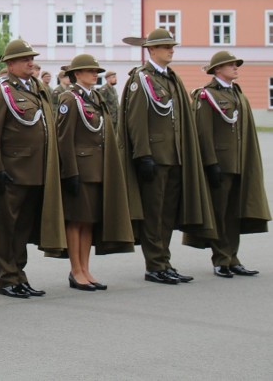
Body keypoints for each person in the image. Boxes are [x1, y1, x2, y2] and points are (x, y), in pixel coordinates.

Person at [119, 29, 214, 285]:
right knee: (154, 213)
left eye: (172, 46)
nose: (171, 50)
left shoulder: (170, 78)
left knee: (167, 213)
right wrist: (142, 155)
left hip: (174, 155)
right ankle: (154, 265)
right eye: (165, 46)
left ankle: (164, 260)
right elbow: (136, 120)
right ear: (151, 50)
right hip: (155, 156)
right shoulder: (142, 79)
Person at [0, 39, 65, 299]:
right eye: (25, 59)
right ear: (11, 64)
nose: (31, 62)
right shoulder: (1, 91)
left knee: (23, 228)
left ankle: (20, 274)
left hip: (35, 170)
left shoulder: (36, 87)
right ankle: (7, 278)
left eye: (32, 58)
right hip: (12, 171)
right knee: (7, 227)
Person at [185, 51, 270, 277]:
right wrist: (211, 163)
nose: (235, 67)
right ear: (217, 70)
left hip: (239, 163)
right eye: (230, 65)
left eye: (235, 64)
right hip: (220, 165)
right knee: (220, 214)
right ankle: (221, 259)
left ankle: (233, 257)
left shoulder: (236, 93)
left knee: (234, 214)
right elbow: (204, 133)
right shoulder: (207, 95)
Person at [55, 55, 134, 292]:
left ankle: (85, 269)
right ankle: (75, 269)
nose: (94, 74)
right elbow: (64, 138)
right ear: (77, 74)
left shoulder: (94, 97)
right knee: (76, 221)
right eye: (89, 70)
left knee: (89, 222)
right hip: (80, 169)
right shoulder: (69, 99)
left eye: (95, 70)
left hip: (97, 168)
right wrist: (70, 172)